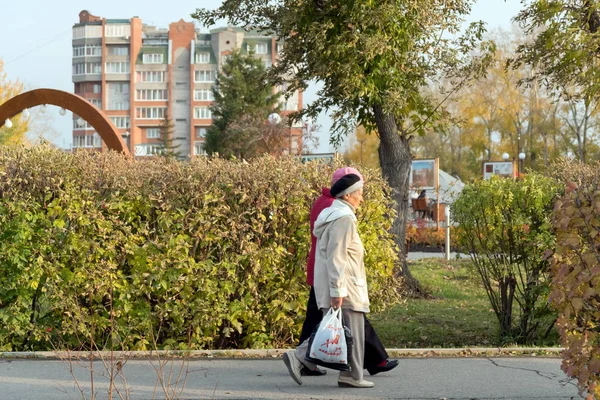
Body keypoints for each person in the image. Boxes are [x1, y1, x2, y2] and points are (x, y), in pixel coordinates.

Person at [283, 172, 395, 388]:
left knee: (340, 330)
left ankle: (346, 374)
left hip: (343, 285)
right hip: (347, 286)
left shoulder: (334, 215)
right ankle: (347, 375)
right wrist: (337, 291)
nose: (362, 198)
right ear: (347, 196)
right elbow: (337, 256)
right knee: (350, 330)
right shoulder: (343, 219)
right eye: (359, 194)